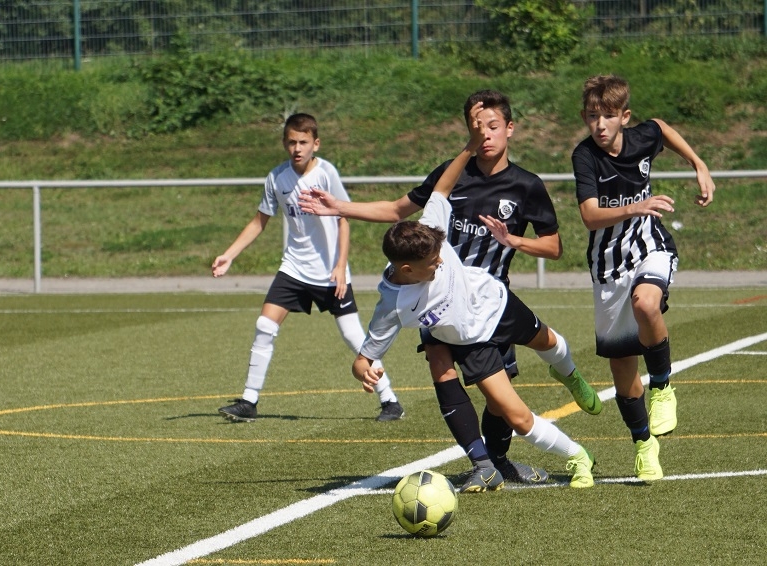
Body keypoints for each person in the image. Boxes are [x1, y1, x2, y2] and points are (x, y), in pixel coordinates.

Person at [300, 90, 600, 492]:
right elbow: (398, 210)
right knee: (450, 372)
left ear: (510, 128)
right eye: (477, 127)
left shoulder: (525, 186)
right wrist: (338, 207)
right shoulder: (412, 270)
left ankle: (561, 387)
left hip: (492, 297)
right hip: (441, 311)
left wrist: (513, 240)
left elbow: (554, 247)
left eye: (492, 126)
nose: (485, 134)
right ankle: (484, 463)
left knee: (525, 370)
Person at [213, 113, 404, 423]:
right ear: (284, 144)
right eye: (291, 142)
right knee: (265, 326)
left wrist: (340, 267)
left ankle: (390, 400)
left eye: (303, 142)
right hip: (294, 269)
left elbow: (343, 219)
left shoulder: (326, 174)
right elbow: (260, 221)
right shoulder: (277, 177)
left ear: (316, 144)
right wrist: (229, 255)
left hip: (330, 272)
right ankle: (249, 401)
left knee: (353, 336)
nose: (297, 148)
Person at [572, 74, 715, 480]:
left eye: (608, 116)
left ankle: (663, 387)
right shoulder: (585, 156)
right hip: (607, 267)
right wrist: (635, 206)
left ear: (624, 117)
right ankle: (643, 443)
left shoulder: (641, 137)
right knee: (622, 369)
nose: (600, 125)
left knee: (646, 303)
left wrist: (699, 164)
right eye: (593, 116)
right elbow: (589, 216)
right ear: (585, 118)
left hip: (649, 246)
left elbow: (662, 128)